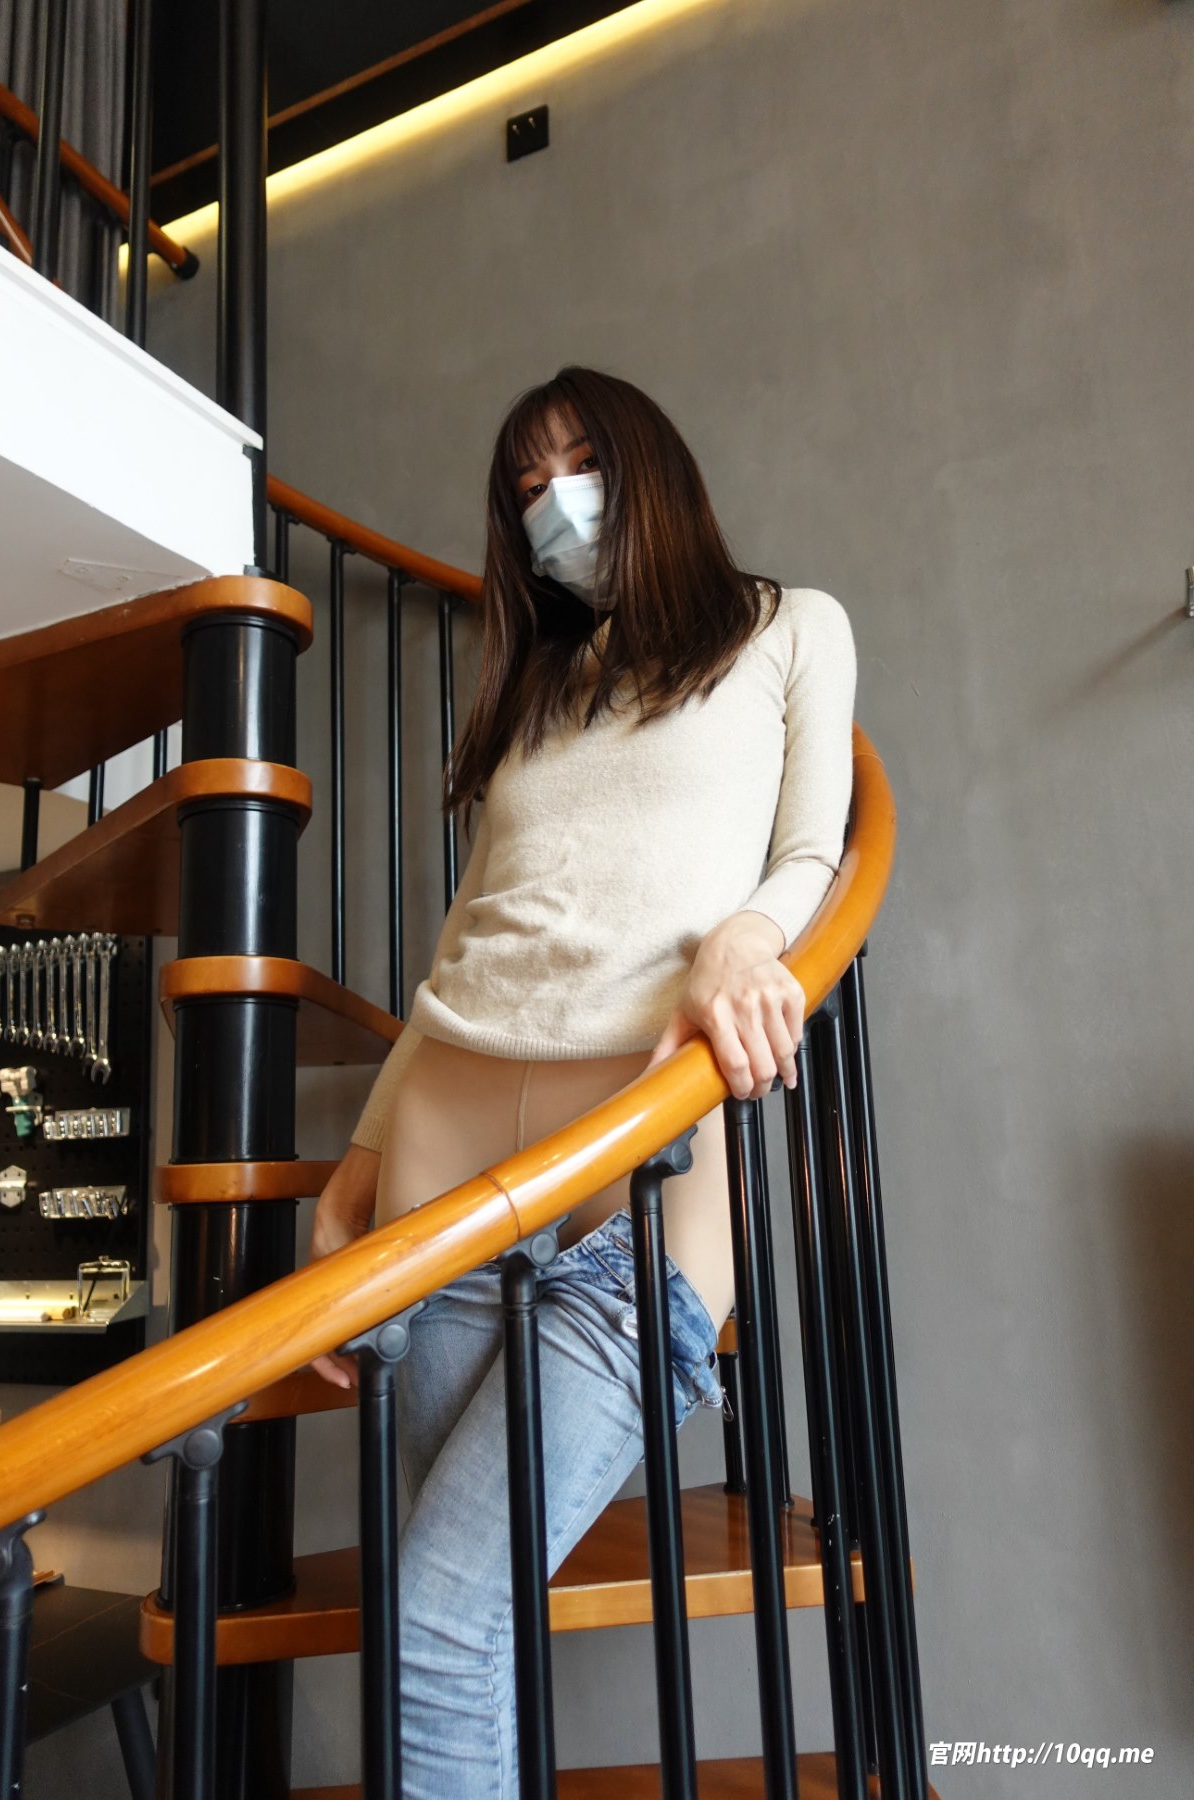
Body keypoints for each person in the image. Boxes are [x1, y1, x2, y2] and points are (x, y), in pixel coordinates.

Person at [306, 365, 857, 1796]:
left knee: (435, 1624)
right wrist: (361, 1159)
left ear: (650, 460)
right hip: (445, 1147)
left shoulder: (793, 629)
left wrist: (745, 939)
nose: (556, 505)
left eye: (579, 465)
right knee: (456, 1616)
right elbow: (465, 942)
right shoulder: (544, 689)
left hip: (639, 1172)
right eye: (527, 487)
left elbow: (814, 854)